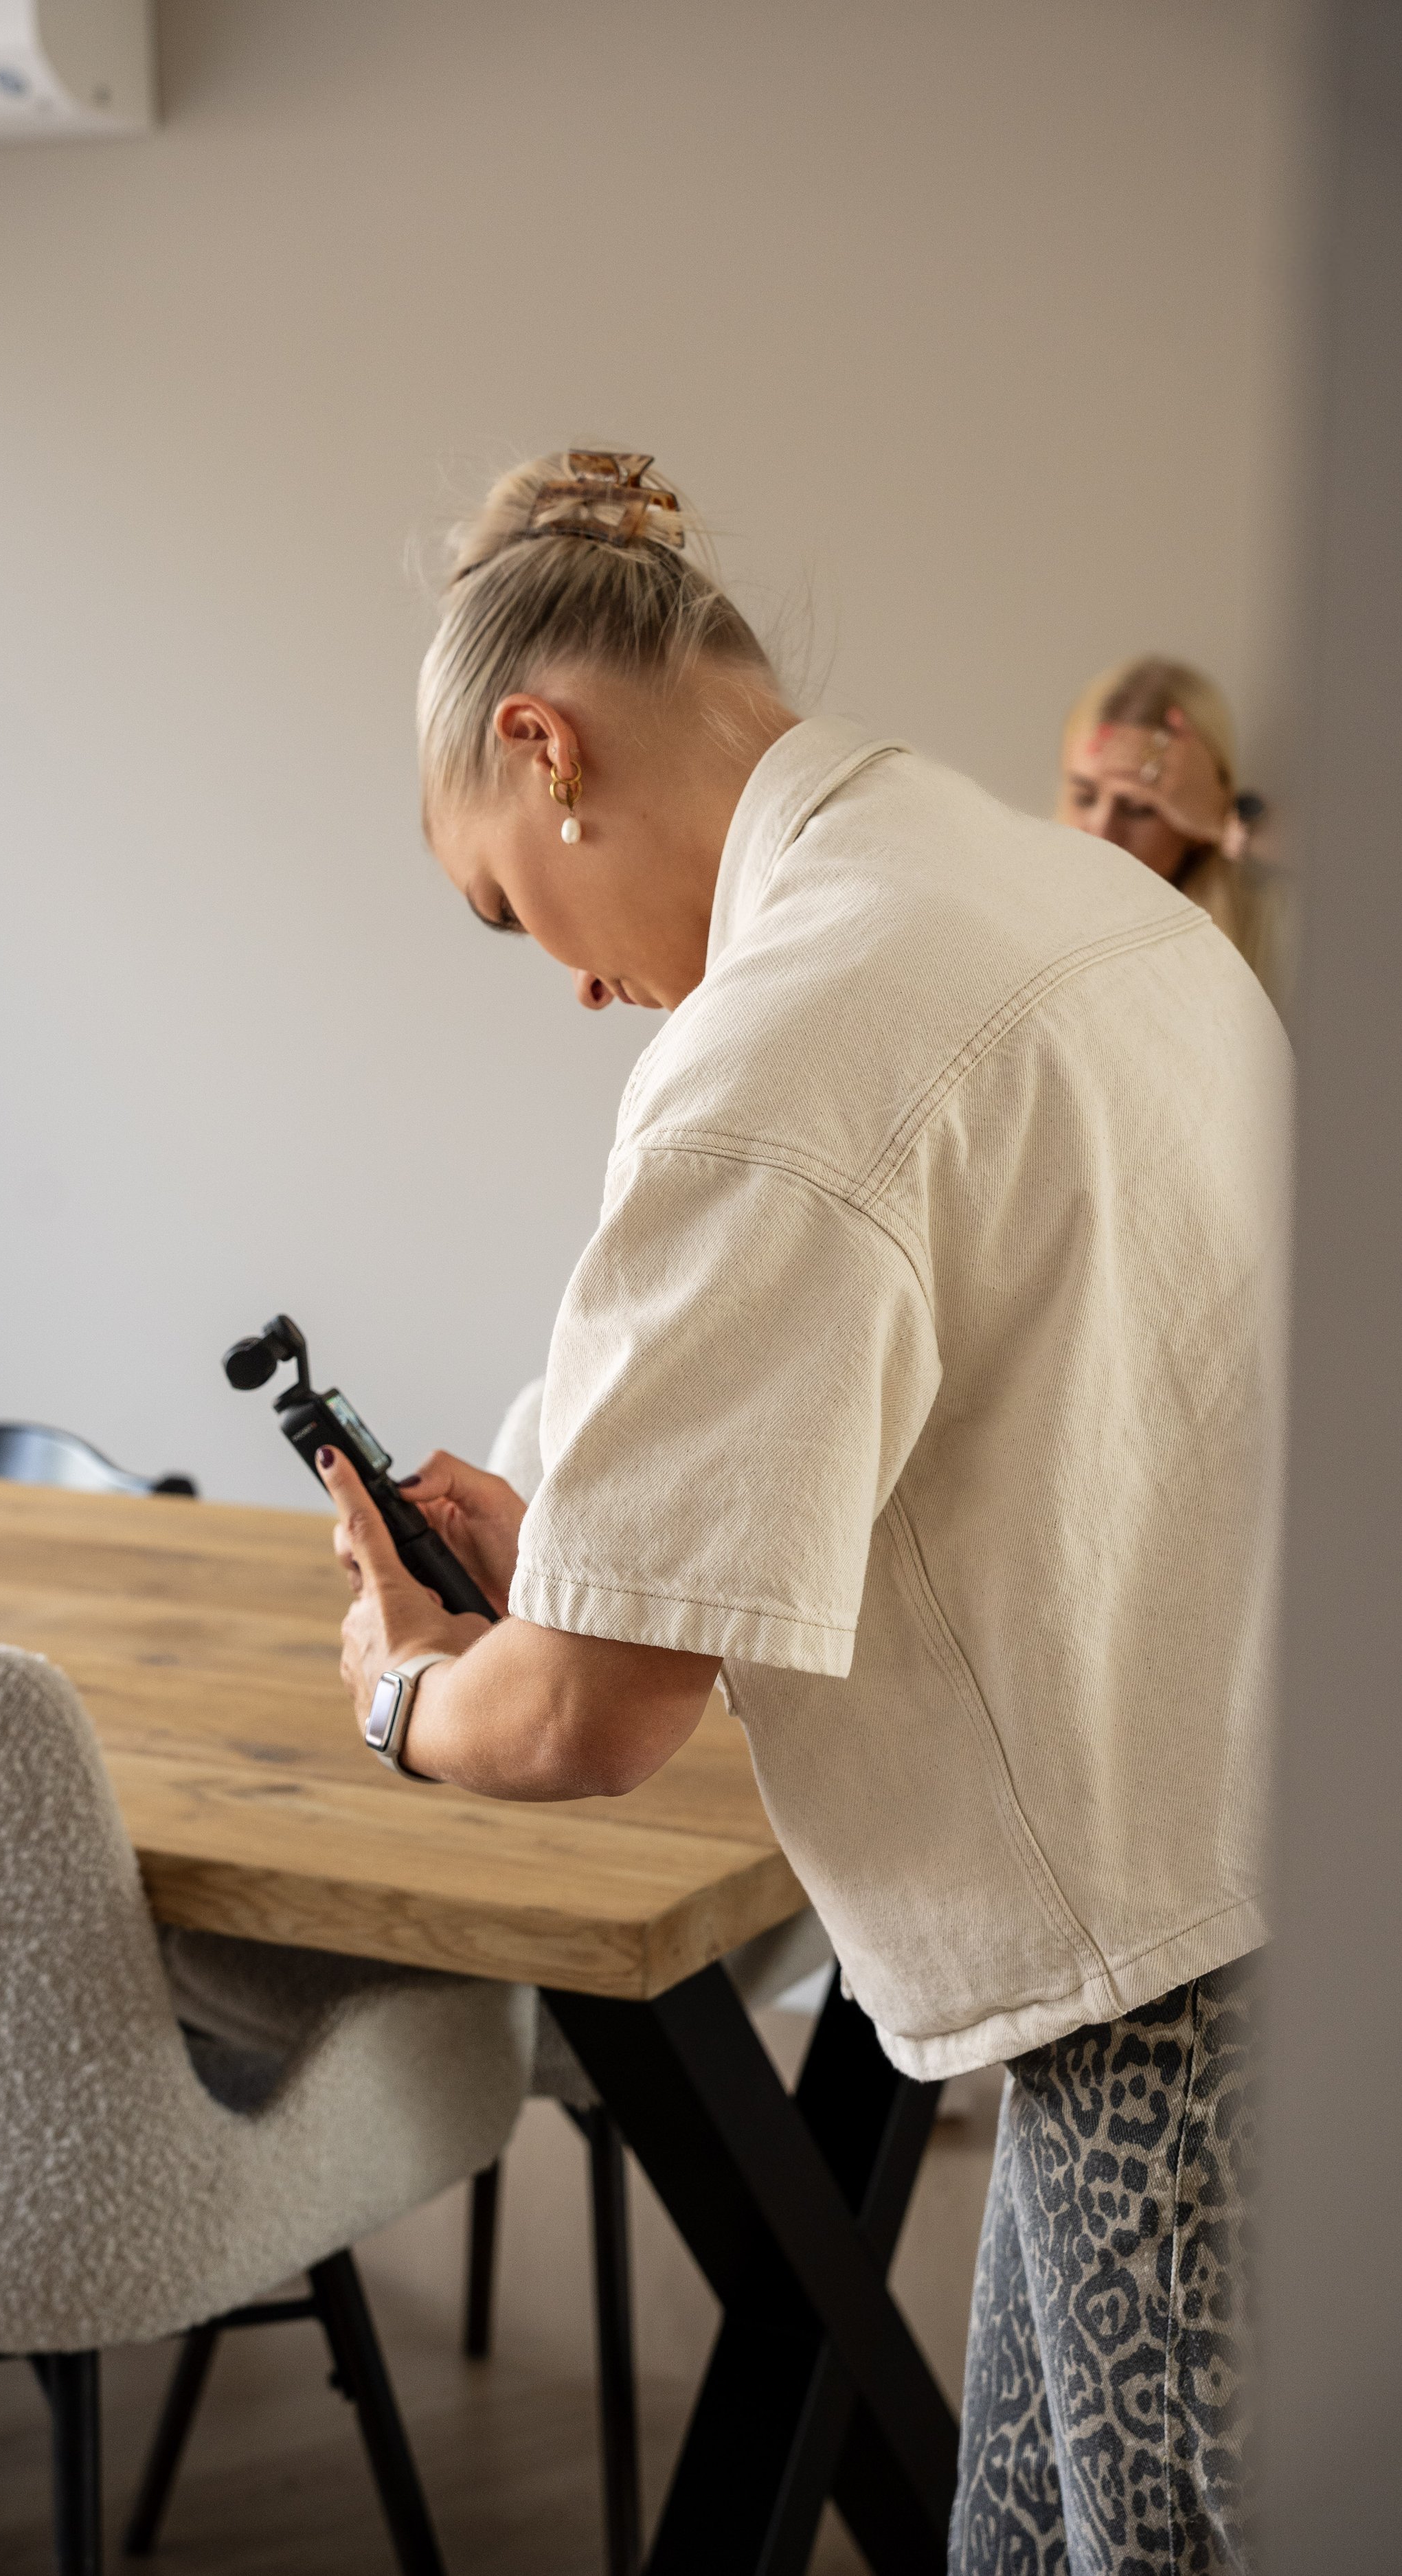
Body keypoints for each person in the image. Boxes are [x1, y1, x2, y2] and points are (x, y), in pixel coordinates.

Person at [315, 451, 1289, 2575]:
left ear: (539, 745)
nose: (564, 980)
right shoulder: (1076, 899)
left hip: (1177, 1989)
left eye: (504, 904)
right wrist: (583, 1513)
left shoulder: (778, 1039)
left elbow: (581, 1718)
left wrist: (404, 1689)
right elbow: (1028, 1398)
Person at [1059, 653, 1291, 1011]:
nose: (1101, 833)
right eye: (1084, 797)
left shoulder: (1272, 953)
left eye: (1138, 808)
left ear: (1196, 829)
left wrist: (1224, 821)